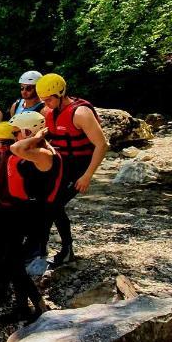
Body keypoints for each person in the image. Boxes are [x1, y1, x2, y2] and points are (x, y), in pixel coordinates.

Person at [0, 121, 50, 324]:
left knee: (13, 261)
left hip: (16, 212)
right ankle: (1, 290)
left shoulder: (26, 159)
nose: (0, 147)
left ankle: (28, 305)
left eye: (5, 142)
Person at [36, 73, 108, 268]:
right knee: (45, 204)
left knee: (54, 205)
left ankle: (65, 249)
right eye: (44, 100)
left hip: (79, 168)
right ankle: (40, 247)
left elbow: (102, 145)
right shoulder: (48, 112)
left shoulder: (81, 113)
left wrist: (87, 176)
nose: (47, 103)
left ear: (61, 93)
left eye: (49, 99)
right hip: (60, 166)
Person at [10, 111, 64, 269]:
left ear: (27, 132)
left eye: (16, 132)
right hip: (35, 205)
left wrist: (36, 136)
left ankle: (31, 283)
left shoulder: (43, 153)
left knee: (32, 247)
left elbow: (15, 148)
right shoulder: (40, 149)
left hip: (40, 208)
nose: (14, 136)